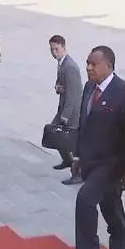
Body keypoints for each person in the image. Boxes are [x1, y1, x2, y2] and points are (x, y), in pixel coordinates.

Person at [65, 46, 125, 249]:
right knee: (110, 206)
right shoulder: (88, 87)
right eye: (87, 63)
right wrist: (77, 155)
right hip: (90, 161)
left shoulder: (122, 92)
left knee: (85, 200)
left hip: (111, 163)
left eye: (94, 64)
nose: (89, 68)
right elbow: (83, 124)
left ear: (109, 66)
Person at [47, 35, 83, 182]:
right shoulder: (61, 63)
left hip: (72, 111)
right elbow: (61, 84)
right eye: (51, 49)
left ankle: (77, 173)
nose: (54, 52)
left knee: (73, 142)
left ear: (63, 47)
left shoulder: (70, 67)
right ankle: (67, 160)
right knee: (56, 135)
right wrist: (57, 87)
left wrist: (65, 116)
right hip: (64, 108)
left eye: (56, 49)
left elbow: (73, 95)